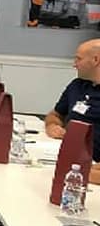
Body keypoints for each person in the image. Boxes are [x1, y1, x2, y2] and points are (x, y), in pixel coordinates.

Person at [44, 39, 100, 184]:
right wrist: (52, 125)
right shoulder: (77, 85)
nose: (74, 64)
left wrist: (84, 173)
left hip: (90, 168)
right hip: (65, 154)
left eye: (78, 59)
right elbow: (55, 114)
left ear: (96, 60)